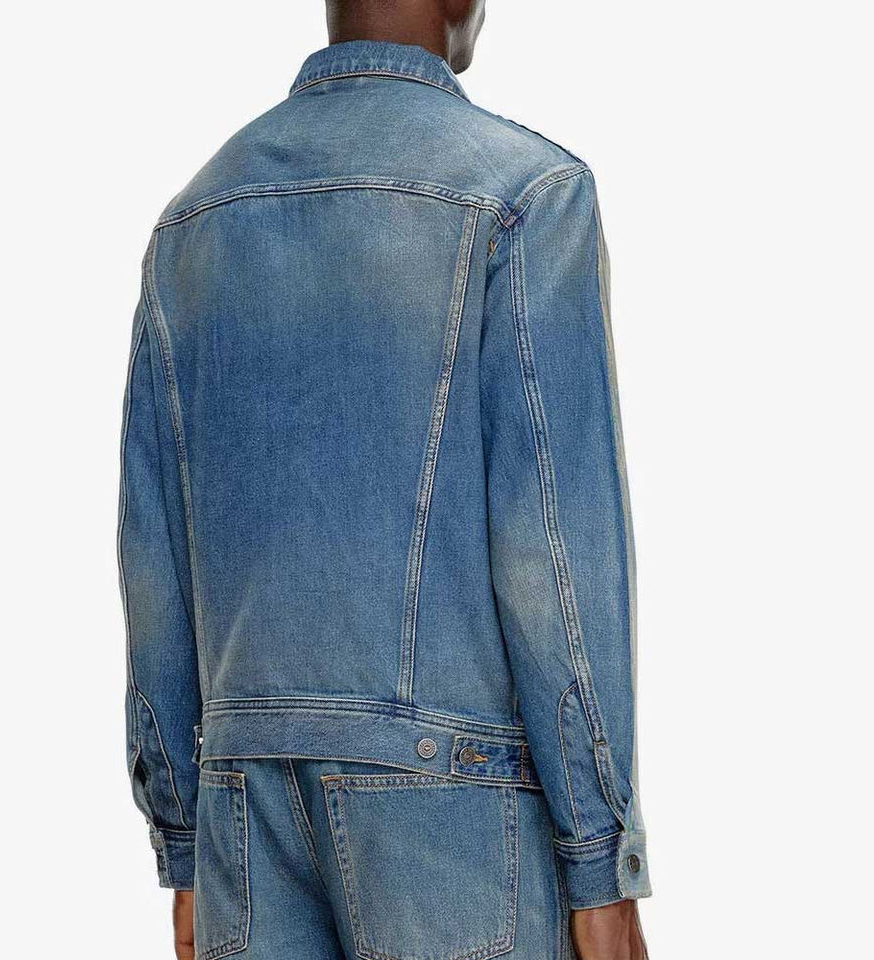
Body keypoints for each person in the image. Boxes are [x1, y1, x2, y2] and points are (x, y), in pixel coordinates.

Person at [118, 1, 651, 957]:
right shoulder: (525, 195)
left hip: (244, 804)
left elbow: (151, 561)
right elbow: (554, 552)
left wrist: (187, 842)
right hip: (457, 812)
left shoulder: (193, 219)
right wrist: (600, 859)